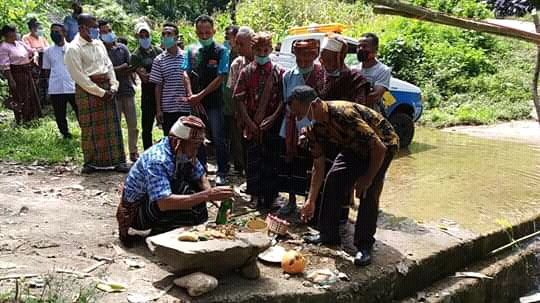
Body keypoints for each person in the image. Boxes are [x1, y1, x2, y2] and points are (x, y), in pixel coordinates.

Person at [288, 86, 398, 266]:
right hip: (354, 146)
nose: (299, 118)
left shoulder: (343, 113)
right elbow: (318, 164)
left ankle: (364, 245)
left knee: (367, 192)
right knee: (334, 179)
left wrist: (367, 178)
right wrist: (311, 200)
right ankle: (328, 234)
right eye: (295, 114)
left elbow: (379, 148)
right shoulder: (315, 128)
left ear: (314, 104)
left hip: (383, 144)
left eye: (300, 112)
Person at [116, 115, 234, 247]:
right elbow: (164, 202)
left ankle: (183, 226)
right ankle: (163, 232)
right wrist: (208, 195)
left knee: (193, 187)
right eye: (194, 146)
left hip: (155, 203)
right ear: (178, 142)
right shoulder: (158, 160)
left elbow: (200, 176)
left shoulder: (182, 151)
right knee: (182, 188)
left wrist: (215, 198)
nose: (196, 150)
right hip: (137, 212)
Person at [64, 13, 129, 173]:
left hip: (107, 87)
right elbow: (79, 77)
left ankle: (118, 161)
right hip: (88, 90)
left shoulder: (99, 44)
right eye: (93, 28)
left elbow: (108, 66)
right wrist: (100, 92)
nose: (96, 31)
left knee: (112, 127)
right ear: (82, 28)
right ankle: (91, 163)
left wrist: (114, 85)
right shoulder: (73, 48)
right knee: (90, 127)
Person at [234, 32, 284, 210]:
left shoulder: (279, 72)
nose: (262, 54)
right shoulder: (246, 72)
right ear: (253, 50)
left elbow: (282, 100)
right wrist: (249, 122)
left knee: (272, 160)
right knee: (253, 160)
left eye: (266, 50)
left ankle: (272, 196)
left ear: (270, 49)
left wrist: (272, 118)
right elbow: (239, 98)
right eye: (258, 50)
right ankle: (254, 194)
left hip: (272, 124)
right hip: (251, 123)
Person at [278, 39, 325, 216]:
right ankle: (291, 202)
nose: (303, 62)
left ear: (315, 55)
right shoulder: (288, 76)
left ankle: (308, 204)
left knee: (311, 167)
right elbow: (286, 102)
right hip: (290, 127)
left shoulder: (322, 76)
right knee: (290, 166)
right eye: (299, 58)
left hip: (314, 128)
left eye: (308, 58)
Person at [183, 15, 230, 186]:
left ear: (213, 31)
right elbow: (185, 72)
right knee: (196, 136)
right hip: (195, 102)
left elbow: (220, 77)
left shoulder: (221, 51)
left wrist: (199, 96)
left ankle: (222, 170)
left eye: (207, 32)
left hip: (213, 101)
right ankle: (200, 168)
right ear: (196, 32)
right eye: (200, 33)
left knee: (218, 136)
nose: (204, 36)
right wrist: (190, 95)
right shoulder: (191, 50)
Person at [99, 20, 139, 162]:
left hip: (127, 91)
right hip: (111, 94)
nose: (109, 34)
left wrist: (117, 71)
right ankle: (118, 154)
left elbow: (130, 66)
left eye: (109, 30)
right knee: (114, 127)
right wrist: (118, 70)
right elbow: (103, 71)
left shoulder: (122, 48)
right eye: (104, 31)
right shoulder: (100, 50)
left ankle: (133, 151)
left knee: (132, 125)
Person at [149, 23, 191, 137]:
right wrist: (159, 110)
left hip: (186, 106)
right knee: (171, 139)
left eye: (169, 34)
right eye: (163, 34)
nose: (166, 36)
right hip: (168, 107)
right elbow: (158, 86)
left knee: (187, 139)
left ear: (176, 38)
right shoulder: (159, 60)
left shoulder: (187, 56)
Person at [226, 26, 254, 177]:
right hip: (243, 114)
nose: (237, 47)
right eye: (236, 43)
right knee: (244, 147)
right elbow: (233, 92)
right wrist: (238, 113)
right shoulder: (236, 64)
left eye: (241, 44)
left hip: (263, 115)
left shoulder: (265, 61)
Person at [42, 23, 79, 139]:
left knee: (79, 110)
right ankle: (65, 134)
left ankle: (86, 130)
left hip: (72, 84)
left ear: (64, 33)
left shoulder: (73, 48)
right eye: (53, 31)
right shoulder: (48, 51)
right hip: (56, 87)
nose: (55, 34)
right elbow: (46, 70)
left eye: (57, 31)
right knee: (59, 113)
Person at [0, 25, 42, 124]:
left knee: (30, 94)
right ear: (8, 34)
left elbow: (32, 51)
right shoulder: (3, 47)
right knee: (20, 96)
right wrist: (10, 79)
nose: (16, 34)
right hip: (16, 74)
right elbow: (5, 66)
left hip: (27, 72)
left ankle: (32, 116)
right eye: (14, 32)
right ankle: (22, 119)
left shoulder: (19, 43)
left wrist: (35, 56)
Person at [131, 22, 162, 150]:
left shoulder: (158, 51)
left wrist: (151, 74)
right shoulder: (135, 55)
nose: (144, 38)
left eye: (146, 34)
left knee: (166, 124)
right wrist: (156, 74)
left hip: (161, 92)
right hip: (148, 94)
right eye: (141, 35)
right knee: (147, 127)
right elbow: (144, 78)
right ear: (137, 37)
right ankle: (147, 152)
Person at [319, 34, 370, 104]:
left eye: (328, 60)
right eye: (321, 59)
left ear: (340, 58)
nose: (323, 63)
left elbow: (358, 107)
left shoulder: (356, 79)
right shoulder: (319, 75)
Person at [357, 33, 392, 115]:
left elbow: (376, 95)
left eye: (365, 46)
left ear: (375, 49)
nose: (360, 49)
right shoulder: (354, 69)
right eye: (358, 46)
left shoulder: (383, 70)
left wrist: (353, 98)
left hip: (371, 114)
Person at [222, 25, 241, 175]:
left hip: (237, 104)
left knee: (238, 136)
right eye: (226, 37)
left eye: (230, 37)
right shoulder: (225, 55)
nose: (227, 40)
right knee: (226, 135)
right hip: (224, 102)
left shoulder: (242, 58)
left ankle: (240, 165)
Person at [23, 18, 49, 107]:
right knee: (36, 82)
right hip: (34, 63)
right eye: (35, 28)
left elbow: (47, 48)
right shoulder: (26, 37)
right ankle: (38, 102)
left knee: (45, 81)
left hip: (44, 62)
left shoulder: (42, 38)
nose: (37, 30)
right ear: (31, 29)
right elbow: (28, 49)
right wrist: (37, 50)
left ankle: (46, 100)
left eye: (38, 27)